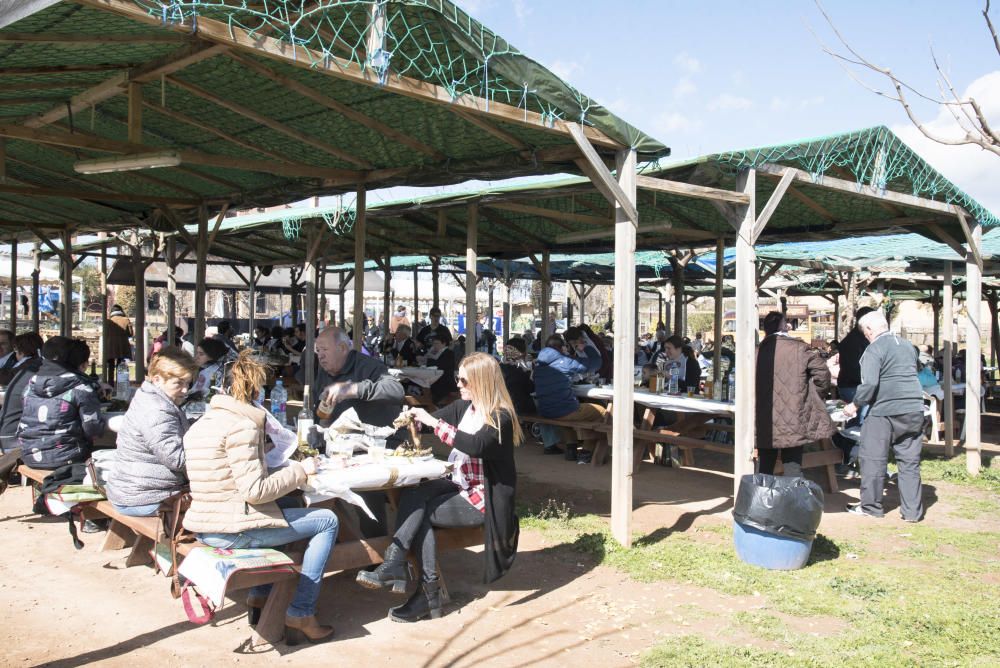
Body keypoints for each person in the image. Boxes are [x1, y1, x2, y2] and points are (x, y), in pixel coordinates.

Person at [183, 350, 338, 644]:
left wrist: (265, 458)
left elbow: (227, 473)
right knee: (326, 520)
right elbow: (255, 491)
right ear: (254, 390)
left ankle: (260, 594)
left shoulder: (205, 422)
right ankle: (302, 610)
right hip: (232, 529)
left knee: (289, 505)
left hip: (207, 522)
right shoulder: (244, 426)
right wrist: (300, 470)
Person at [357, 353, 520, 622]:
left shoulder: (500, 417)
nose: (458, 384)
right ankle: (401, 569)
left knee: (421, 512)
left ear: (481, 381)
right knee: (413, 493)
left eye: (464, 380)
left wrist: (433, 422)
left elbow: (474, 444)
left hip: (482, 500)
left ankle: (423, 589)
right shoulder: (465, 408)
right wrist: (413, 418)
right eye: (458, 378)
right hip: (458, 486)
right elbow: (432, 422)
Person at [312, 327, 404, 535]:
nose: (321, 356)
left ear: (343, 348)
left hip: (380, 444)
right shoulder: (325, 373)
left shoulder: (370, 366)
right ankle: (336, 540)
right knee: (314, 484)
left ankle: (376, 556)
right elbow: (319, 410)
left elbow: (396, 390)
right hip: (341, 445)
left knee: (366, 492)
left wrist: (352, 389)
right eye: (318, 351)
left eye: (324, 350)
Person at [843, 311, 925, 522]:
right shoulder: (907, 346)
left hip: (884, 410)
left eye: (865, 333)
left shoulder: (874, 349)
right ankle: (912, 512)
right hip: (914, 407)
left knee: (873, 458)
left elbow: (869, 384)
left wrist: (854, 404)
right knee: (909, 462)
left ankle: (871, 506)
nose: (865, 336)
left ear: (869, 330)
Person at [107, 348, 199, 517]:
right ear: (157, 379)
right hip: (144, 497)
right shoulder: (157, 409)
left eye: (188, 384)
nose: (185, 390)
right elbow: (177, 459)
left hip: (130, 490)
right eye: (179, 384)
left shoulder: (148, 397)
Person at [755, 311, 835, 478]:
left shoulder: (756, 351)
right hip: (794, 414)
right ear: (784, 326)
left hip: (764, 415)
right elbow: (823, 374)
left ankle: (763, 501)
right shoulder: (799, 348)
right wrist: (813, 394)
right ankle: (792, 502)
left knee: (765, 465)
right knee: (792, 465)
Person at [16, 337, 107, 470]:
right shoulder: (81, 389)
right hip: (68, 457)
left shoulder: (30, 385)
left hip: (29, 455)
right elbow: (93, 430)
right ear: (83, 365)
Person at [533, 329, 604, 462]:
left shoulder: (538, 365)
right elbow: (595, 363)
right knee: (601, 412)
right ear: (562, 347)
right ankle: (587, 451)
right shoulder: (564, 362)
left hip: (545, 410)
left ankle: (571, 448)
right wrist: (586, 347)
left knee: (564, 414)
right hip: (563, 410)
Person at [834, 306, 876, 471]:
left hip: (850, 385)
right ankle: (846, 459)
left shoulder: (852, 339)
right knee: (856, 426)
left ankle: (849, 458)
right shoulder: (858, 342)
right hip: (855, 386)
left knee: (855, 424)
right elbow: (856, 368)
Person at [0, 332, 45, 452]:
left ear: (19, 350)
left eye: (3, 343)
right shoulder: (36, 363)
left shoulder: (29, 366)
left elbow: (5, 378)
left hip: (12, 436)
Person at [424, 333, 458, 404]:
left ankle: (431, 405)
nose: (434, 346)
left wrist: (431, 357)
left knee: (429, 389)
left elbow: (442, 366)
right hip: (436, 379)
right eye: (433, 344)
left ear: (444, 343)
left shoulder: (448, 353)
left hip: (445, 382)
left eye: (437, 343)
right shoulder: (434, 353)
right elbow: (429, 364)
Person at [104, 304, 133, 374]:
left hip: (111, 346)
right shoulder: (126, 320)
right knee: (120, 366)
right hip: (122, 346)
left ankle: (110, 383)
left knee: (111, 367)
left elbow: (105, 334)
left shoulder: (108, 321)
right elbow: (130, 333)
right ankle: (119, 382)